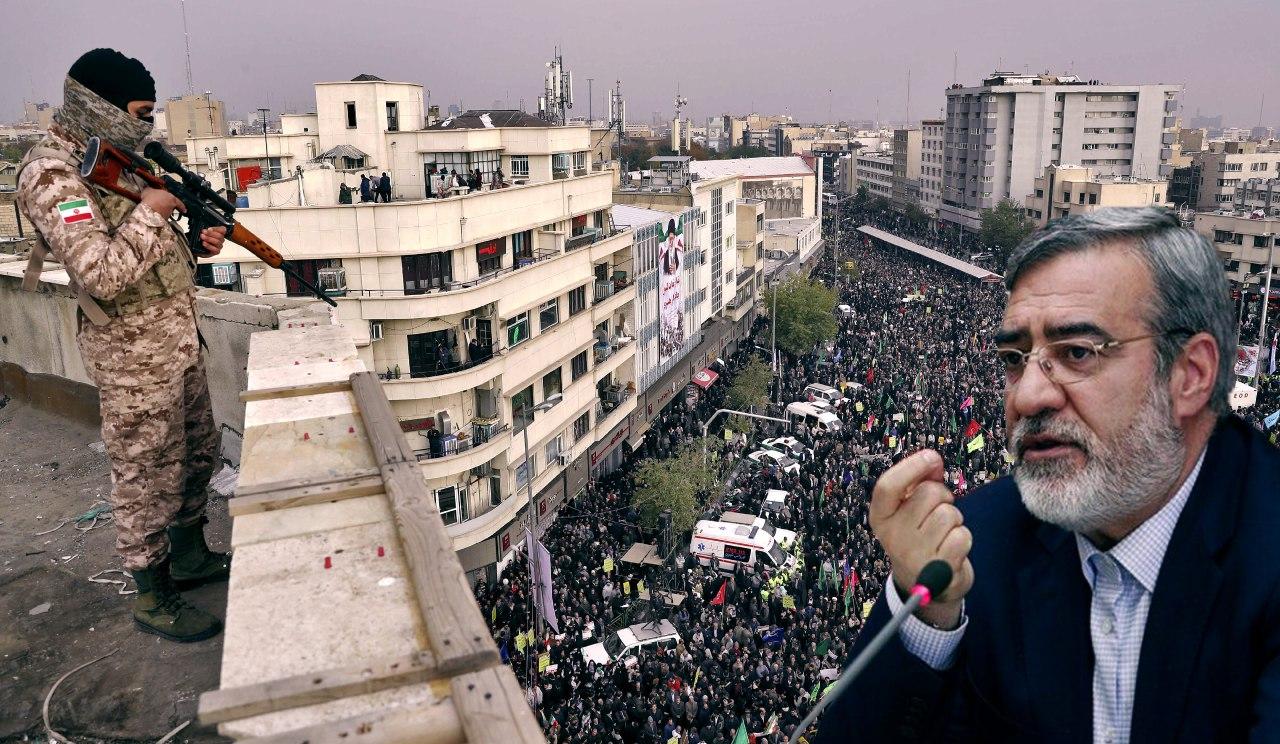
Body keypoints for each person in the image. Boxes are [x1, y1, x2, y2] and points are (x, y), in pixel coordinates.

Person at [817, 208, 1280, 743]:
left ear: (1190, 374)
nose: (1027, 395)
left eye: (1078, 352)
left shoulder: (1261, 551)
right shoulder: (976, 544)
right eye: (1015, 358)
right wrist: (928, 615)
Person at [16, 49, 231, 643]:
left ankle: (189, 560)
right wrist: (152, 215)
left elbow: (152, 247)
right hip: (130, 354)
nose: (146, 126)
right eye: (138, 112)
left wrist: (196, 241)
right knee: (145, 475)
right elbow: (101, 274)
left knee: (195, 454)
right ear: (100, 104)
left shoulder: (118, 158)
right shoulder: (53, 173)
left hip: (177, 339)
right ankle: (152, 596)